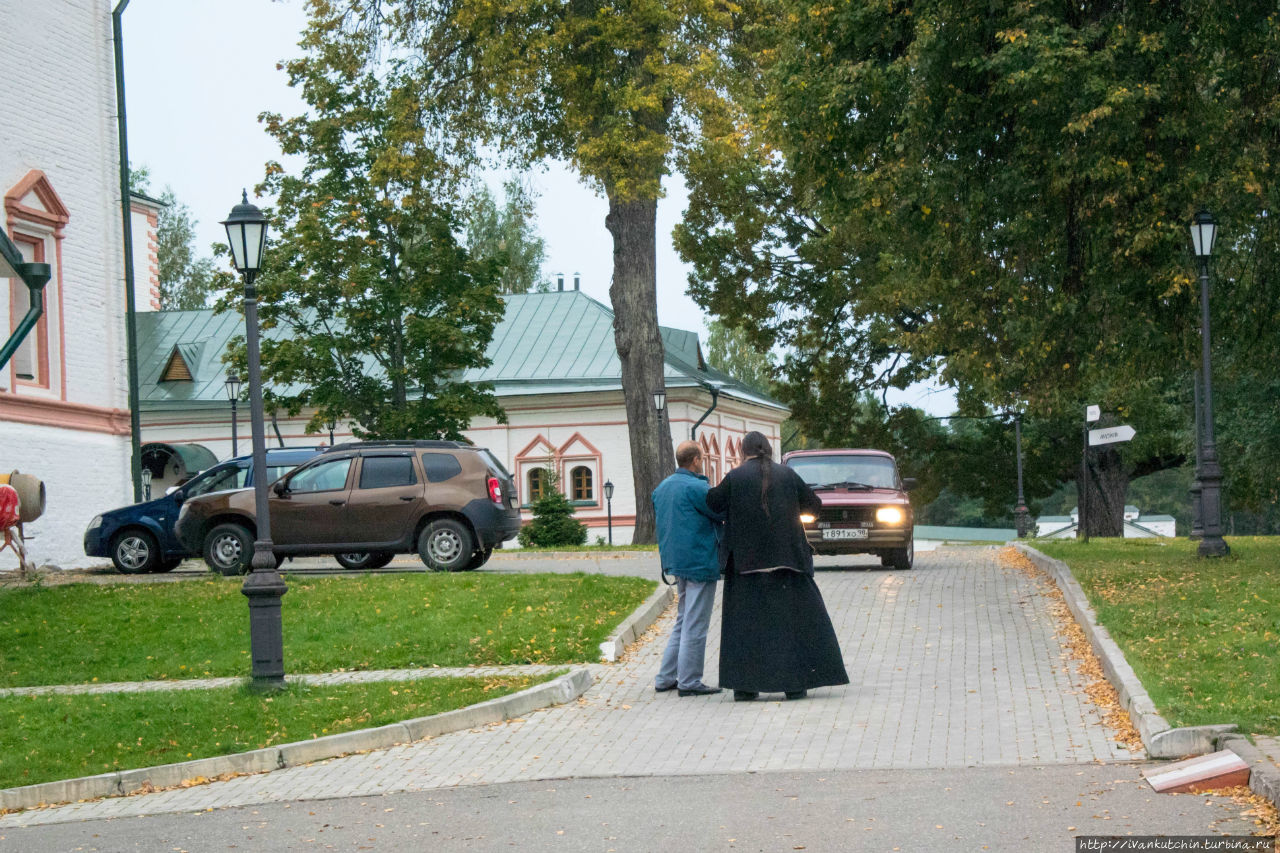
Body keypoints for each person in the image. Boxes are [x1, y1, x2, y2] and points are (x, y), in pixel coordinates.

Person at [706, 431, 849, 701]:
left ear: (742, 451)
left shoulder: (736, 477)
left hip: (746, 565)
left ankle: (746, 687)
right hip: (788, 562)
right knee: (790, 626)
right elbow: (814, 506)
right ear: (769, 450)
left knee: (746, 628)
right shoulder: (787, 475)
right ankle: (795, 685)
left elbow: (713, 502)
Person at [652, 440, 724, 697]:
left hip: (675, 562)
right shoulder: (698, 488)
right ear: (695, 460)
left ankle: (666, 676)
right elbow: (719, 512)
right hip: (699, 561)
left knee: (683, 620)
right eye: (701, 458)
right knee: (695, 622)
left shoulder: (662, 488)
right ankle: (690, 681)